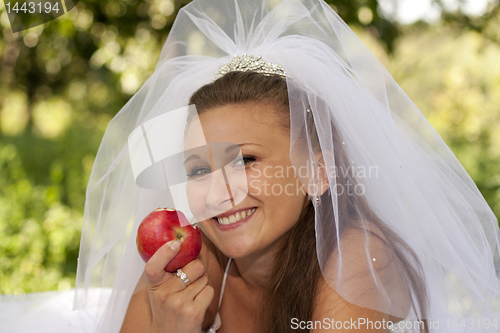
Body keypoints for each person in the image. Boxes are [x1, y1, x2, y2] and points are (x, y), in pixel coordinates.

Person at [73, 0, 500, 332]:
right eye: (198, 170)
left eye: (245, 160)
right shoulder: (193, 264)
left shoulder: (359, 258)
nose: (220, 192)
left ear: (318, 172)